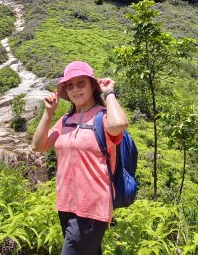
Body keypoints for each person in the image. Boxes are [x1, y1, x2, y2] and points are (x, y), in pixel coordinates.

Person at [31, 61, 129, 255]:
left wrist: (108, 92)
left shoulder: (103, 118)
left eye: (81, 83)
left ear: (93, 85)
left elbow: (119, 124)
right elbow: (38, 146)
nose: (75, 89)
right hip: (66, 203)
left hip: (91, 206)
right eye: (70, 85)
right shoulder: (66, 120)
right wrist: (48, 113)